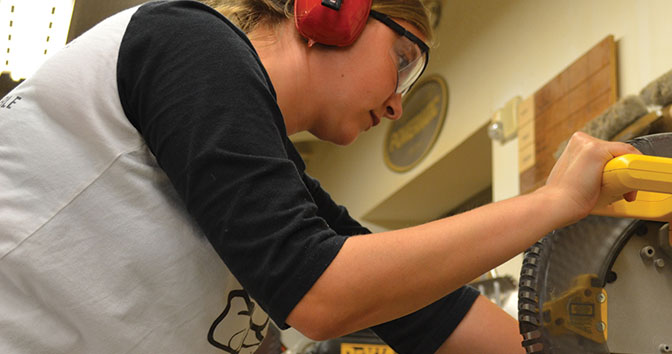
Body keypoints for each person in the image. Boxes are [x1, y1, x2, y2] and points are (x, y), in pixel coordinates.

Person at [0, 0, 639, 352]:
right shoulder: (190, 43)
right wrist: (555, 202)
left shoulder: (275, 177)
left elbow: (426, 311)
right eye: (403, 61)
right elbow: (323, 293)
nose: (396, 105)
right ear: (331, 11)